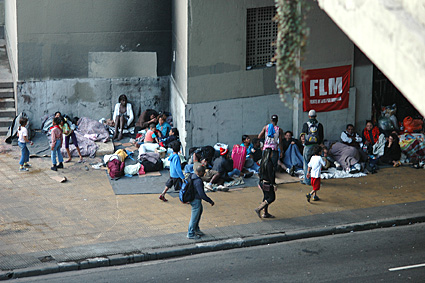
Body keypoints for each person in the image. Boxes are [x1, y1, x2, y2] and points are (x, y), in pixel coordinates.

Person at [187, 165, 214, 239]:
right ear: (201, 172)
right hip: (196, 200)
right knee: (194, 217)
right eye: (204, 172)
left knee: (199, 213)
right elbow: (202, 194)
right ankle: (190, 233)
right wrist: (210, 201)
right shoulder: (198, 181)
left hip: (192, 198)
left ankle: (196, 229)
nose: (204, 174)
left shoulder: (192, 176)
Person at [300, 110, 324, 185]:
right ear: (316, 116)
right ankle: (315, 181)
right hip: (316, 146)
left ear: (309, 116)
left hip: (308, 147)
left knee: (307, 163)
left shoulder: (306, 124)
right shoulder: (319, 125)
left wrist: (303, 143)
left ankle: (307, 181)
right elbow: (321, 136)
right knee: (316, 164)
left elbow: (302, 136)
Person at [254, 148, 277, 219]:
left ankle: (265, 213)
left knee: (266, 197)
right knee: (271, 198)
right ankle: (259, 208)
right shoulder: (269, 163)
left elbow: (260, 173)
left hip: (262, 183)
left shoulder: (262, 162)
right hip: (268, 183)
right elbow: (271, 175)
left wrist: (259, 182)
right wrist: (273, 184)